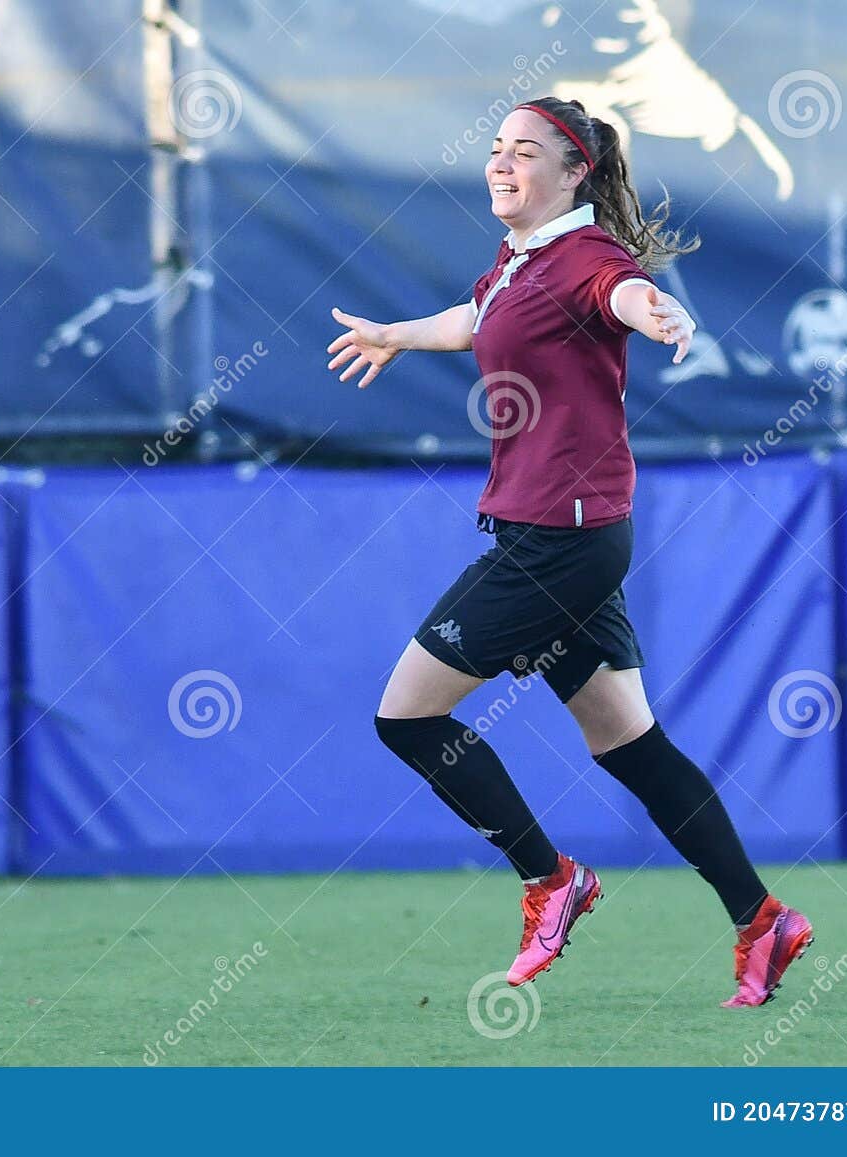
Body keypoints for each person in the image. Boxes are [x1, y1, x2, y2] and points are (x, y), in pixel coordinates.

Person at [325, 97, 812, 1008]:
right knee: (631, 744)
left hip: (560, 540)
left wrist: (652, 309)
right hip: (567, 535)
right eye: (496, 149)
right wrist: (395, 335)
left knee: (407, 717)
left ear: (574, 169)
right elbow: (476, 319)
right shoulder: (521, 259)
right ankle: (762, 918)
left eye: (524, 152)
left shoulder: (590, 258)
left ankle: (551, 879)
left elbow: (619, 292)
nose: (501, 164)